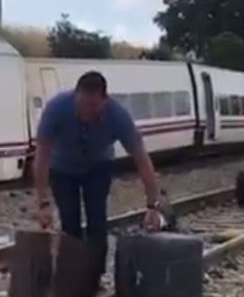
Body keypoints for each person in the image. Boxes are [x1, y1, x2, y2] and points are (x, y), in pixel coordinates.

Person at [33, 72, 164, 282]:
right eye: (82, 106)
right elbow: (42, 155)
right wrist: (43, 202)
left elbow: (141, 158)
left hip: (98, 166)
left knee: (97, 220)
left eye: (93, 107)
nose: (87, 113)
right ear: (75, 96)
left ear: (105, 100)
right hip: (62, 169)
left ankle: (95, 276)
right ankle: (72, 276)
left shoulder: (117, 115)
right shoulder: (56, 109)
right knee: (69, 220)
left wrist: (153, 205)